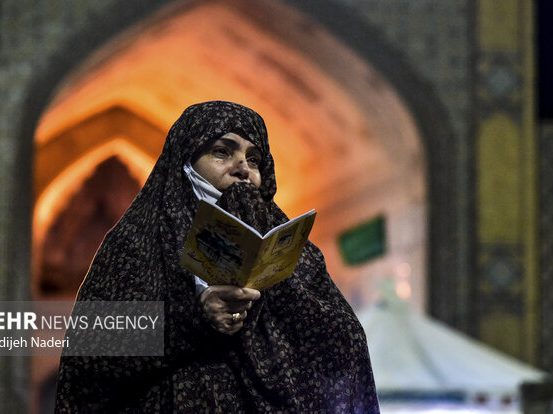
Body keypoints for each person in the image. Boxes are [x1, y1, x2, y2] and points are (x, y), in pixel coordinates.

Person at [55, 101, 379, 413]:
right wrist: (194, 319)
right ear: (185, 163)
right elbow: (91, 357)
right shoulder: (136, 245)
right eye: (222, 152)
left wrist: (280, 302)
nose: (242, 169)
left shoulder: (296, 253)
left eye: (254, 160)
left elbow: (344, 344)